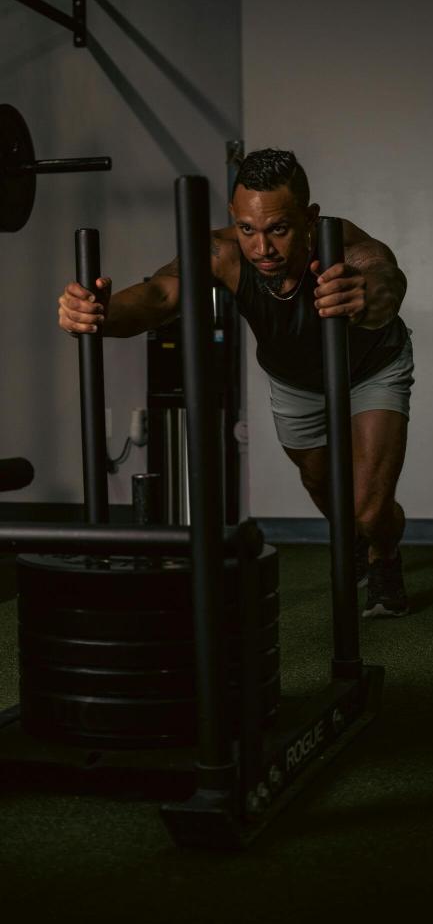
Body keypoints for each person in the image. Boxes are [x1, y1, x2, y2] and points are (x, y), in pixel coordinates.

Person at [58, 148, 414, 617]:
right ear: (234, 217)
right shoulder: (222, 253)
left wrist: (364, 299)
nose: (262, 248)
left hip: (372, 368)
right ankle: (357, 540)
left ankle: (384, 556)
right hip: (294, 381)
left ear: (309, 218)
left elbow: (386, 278)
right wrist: (100, 314)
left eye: (279, 230)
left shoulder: (342, 245)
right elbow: (161, 293)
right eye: (249, 228)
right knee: (321, 483)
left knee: (368, 509)